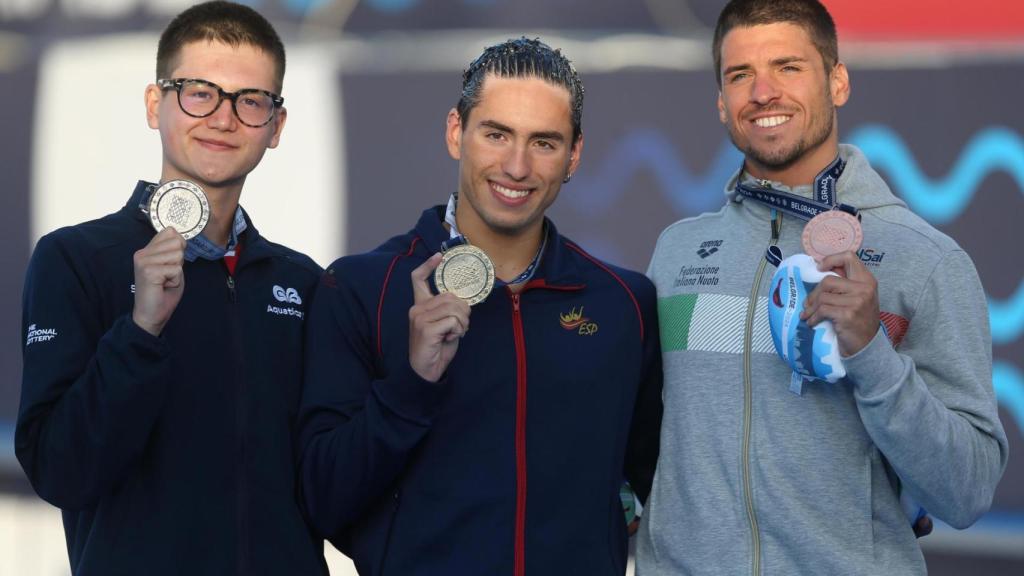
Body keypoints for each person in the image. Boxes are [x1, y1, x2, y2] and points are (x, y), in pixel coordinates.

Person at [636, 0, 1009, 574]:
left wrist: (870, 354)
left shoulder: (925, 260)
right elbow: (640, 431)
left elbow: (967, 491)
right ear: (720, 101)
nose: (763, 92)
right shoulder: (677, 251)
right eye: (740, 75)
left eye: (788, 67)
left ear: (837, 82)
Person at [298, 37, 663, 575]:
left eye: (544, 142)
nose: (516, 166)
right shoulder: (360, 288)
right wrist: (411, 384)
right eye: (497, 134)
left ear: (574, 156)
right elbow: (322, 500)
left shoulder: (622, 303)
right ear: (456, 132)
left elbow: (662, 490)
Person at [16, 2, 326, 574]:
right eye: (199, 92)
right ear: (155, 105)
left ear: (276, 126)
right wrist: (141, 330)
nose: (223, 118)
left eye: (250, 100)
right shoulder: (76, 260)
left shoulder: (301, 283)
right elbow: (60, 471)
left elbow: (332, 483)